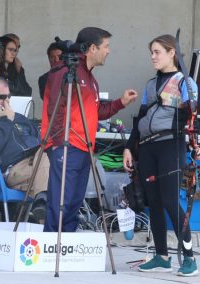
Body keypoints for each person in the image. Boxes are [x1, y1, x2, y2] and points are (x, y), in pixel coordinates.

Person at [42, 27, 138, 232]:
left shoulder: (90, 77)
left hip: (84, 146)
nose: (109, 51)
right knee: (61, 201)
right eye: (106, 46)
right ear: (92, 48)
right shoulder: (66, 70)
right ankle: (50, 248)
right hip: (66, 145)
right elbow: (55, 108)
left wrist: (121, 102)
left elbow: (97, 111)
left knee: (74, 202)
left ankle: (65, 245)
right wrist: (60, 144)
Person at [123, 34, 200, 277]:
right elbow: (140, 119)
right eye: (152, 52)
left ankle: (189, 257)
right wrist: (129, 147)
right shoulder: (150, 84)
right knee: (154, 203)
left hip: (171, 144)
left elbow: (192, 117)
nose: (153, 56)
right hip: (147, 147)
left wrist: (194, 144)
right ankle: (162, 256)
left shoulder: (184, 82)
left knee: (170, 200)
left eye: (157, 51)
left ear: (172, 53)